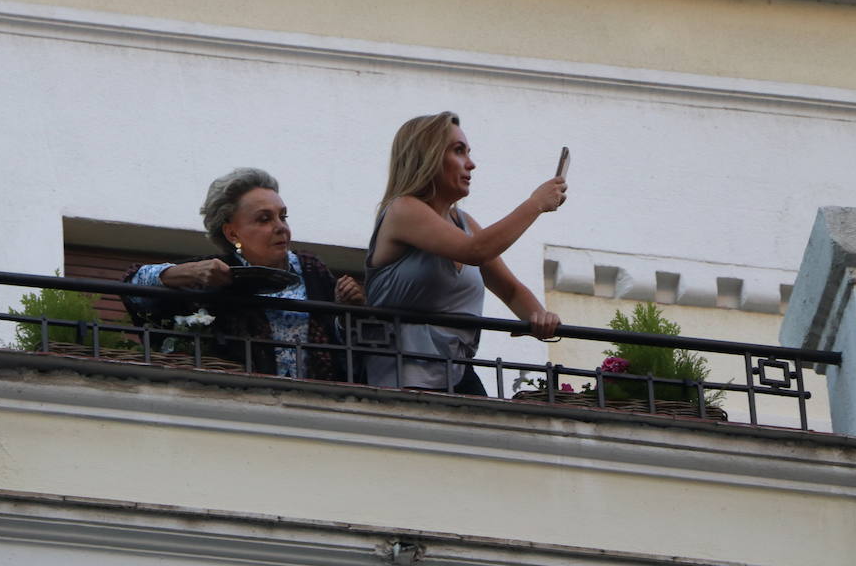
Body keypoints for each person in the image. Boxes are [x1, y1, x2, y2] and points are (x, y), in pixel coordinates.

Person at [364, 112, 566, 395]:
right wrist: (535, 204)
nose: (471, 164)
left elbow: (510, 290)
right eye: (459, 151)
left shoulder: (464, 223)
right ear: (428, 156)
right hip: (402, 377)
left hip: (457, 373)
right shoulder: (402, 210)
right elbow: (476, 251)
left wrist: (540, 317)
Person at [123, 168, 365, 380]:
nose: (281, 227)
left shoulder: (310, 269)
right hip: (244, 403)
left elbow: (344, 348)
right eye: (264, 219)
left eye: (283, 216)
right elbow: (133, 288)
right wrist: (185, 273)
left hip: (316, 403)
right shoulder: (218, 272)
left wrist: (346, 311)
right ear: (232, 234)